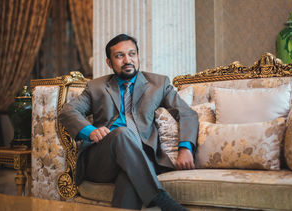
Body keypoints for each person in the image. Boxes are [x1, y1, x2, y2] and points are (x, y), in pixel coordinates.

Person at [59, 34, 199, 210]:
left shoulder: (158, 84)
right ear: (109, 62)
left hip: (141, 158)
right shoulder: (96, 87)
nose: (127, 60)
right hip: (102, 159)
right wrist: (90, 130)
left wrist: (185, 148)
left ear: (138, 56)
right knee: (122, 133)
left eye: (132, 54)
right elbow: (68, 111)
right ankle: (160, 198)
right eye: (119, 56)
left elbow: (187, 114)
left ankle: (152, 192)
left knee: (129, 179)